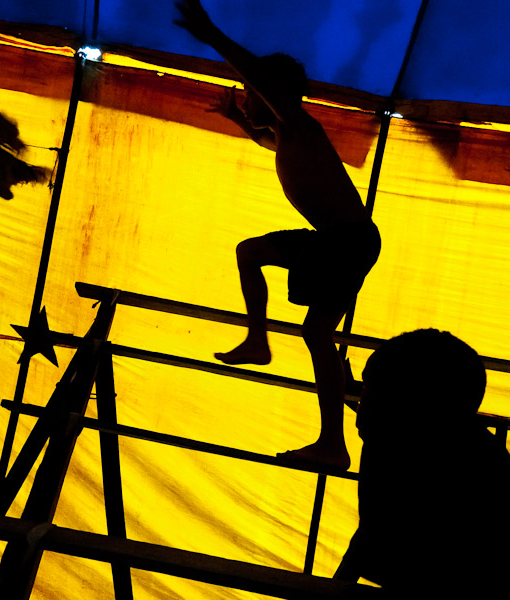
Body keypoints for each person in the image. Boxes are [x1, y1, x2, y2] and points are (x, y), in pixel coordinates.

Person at [175, 0, 381, 471]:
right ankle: (258, 341)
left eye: (251, 94)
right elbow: (260, 135)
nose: (248, 99)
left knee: (316, 333)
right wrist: (235, 117)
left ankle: (333, 441)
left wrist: (213, 36)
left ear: (272, 96)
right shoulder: (284, 136)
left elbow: (265, 86)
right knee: (250, 252)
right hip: (334, 239)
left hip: (346, 241)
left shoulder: (300, 125)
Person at [334, 329, 510, 599]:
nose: (361, 415)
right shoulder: (412, 444)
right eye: (363, 393)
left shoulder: (476, 489)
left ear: (421, 412)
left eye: (375, 397)